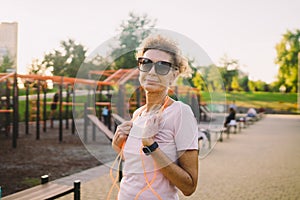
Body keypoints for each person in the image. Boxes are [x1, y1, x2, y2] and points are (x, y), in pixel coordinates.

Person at [112, 35, 199, 199]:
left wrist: (151, 145)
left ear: (174, 75)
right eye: (146, 63)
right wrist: (117, 146)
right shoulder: (138, 114)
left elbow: (189, 186)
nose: (151, 71)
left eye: (162, 66)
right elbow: (138, 164)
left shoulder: (180, 113)